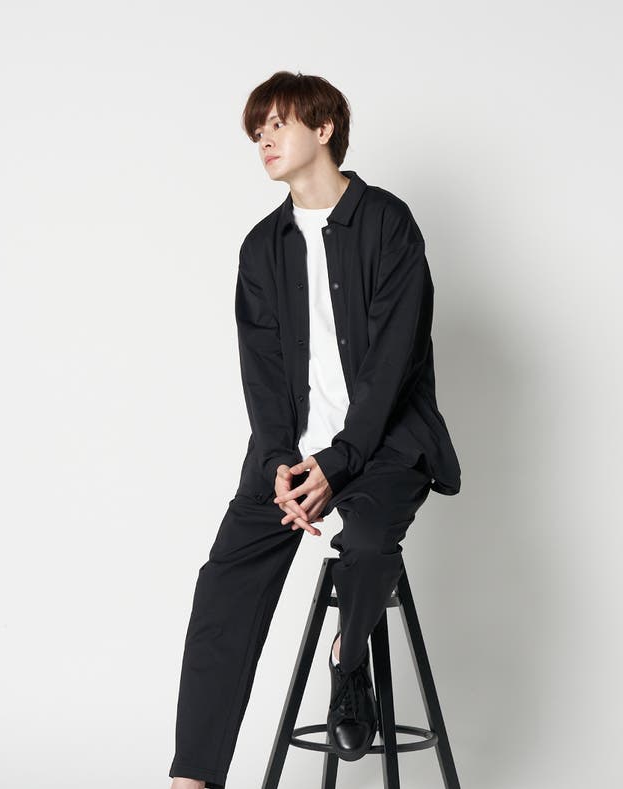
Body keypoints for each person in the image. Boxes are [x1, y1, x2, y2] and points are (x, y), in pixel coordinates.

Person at [168, 70, 461, 789]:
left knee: (366, 543)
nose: (264, 139)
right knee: (223, 584)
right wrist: (279, 462)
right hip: (291, 460)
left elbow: (392, 367)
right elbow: (263, 376)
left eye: (278, 123)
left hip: (383, 448)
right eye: (257, 130)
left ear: (323, 129)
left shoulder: (388, 224)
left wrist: (340, 461)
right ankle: (191, 780)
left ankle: (347, 662)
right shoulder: (260, 249)